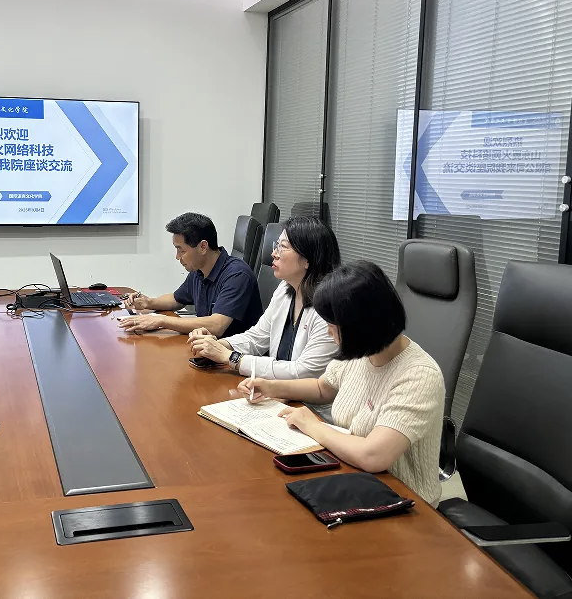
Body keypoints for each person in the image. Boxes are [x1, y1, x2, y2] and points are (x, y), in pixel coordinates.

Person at [236, 261, 444, 506]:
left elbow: (373, 456)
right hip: (353, 478)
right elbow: (323, 388)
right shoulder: (363, 351)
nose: (328, 333)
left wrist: (312, 425)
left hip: (402, 501)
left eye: (332, 326)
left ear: (360, 325)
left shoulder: (419, 376)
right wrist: (271, 387)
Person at [189, 216, 341, 419]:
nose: (273, 254)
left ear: (307, 259)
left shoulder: (329, 308)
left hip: (314, 413)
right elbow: (257, 337)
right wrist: (218, 345)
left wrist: (232, 358)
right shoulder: (286, 289)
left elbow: (303, 372)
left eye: (283, 247)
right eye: (276, 246)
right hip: (279, 399)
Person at [117, 212, 262, 336]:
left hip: (234, 355)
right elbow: (176, 299)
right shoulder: (199, 270)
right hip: (207, 347)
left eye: (181, 250)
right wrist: (148, 302)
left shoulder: (237, 275)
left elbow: (217, 325)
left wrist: (161, 320)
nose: (177, 257)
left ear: (203, 247)